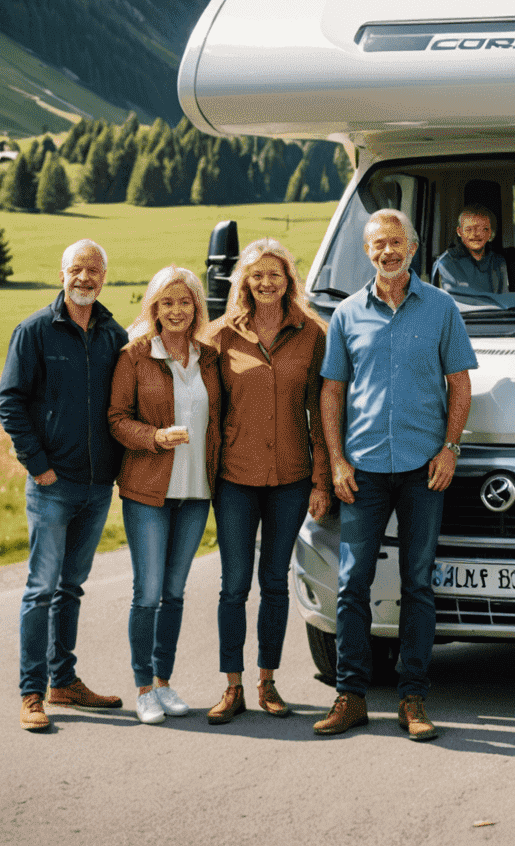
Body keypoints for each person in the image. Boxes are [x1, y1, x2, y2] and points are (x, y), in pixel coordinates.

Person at [314, 208, 476, 743]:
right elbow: (331, 391)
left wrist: (450, 448)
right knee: (351, 583)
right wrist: (336, 459)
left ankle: (413, 697)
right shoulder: (346, 316)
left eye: (397, 241)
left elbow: (460, 385)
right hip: (362, 468)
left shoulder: (441, 308)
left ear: (412, 247)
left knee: (418, 583)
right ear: (367, 252)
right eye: (378, 243)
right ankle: (351, 696)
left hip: (422, 467)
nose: (389, 250)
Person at [0, 239, 127, 732]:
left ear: (104, 277)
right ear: (62, 274)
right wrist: (38, 465)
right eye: (77, 269)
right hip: (52, 485)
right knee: (41, 589)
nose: (85, 277)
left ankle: (63, 680)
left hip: (97, 488)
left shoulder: (114, 336)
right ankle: (32, 694)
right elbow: (9, 402)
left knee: (71, 588)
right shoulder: (33, 332)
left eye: (94, 270)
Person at [200, 238, 331, 725]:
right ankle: (231, 685)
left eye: (274, 274)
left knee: (275, 582)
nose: (266, 282)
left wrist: (322, 480)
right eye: (256, 275)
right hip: (235, 476)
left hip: (292, 478)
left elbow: (321, 412)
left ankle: (267, 681)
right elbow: (207, 405)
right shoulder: (221, 336)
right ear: (244, 282)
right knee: (234, 584)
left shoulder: (312, 334)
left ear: (288, 279)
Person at [108, 265, 221, 726]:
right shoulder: (135, 355)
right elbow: (116, 419)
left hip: (196, 491)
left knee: (174, 592)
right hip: (147, 491)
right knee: (148, 592)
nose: (176, 310)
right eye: (167, 302)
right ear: (154, 307)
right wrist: (154, 436)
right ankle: (142, 687)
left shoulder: (209, 356)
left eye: (185, 302)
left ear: (197, 307)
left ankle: (164, 681)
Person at [432, 206, 510, 296]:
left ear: (490, 233)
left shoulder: (498, 262)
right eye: (469, 229)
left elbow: (504, 298)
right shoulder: (445, 263)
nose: (475, 234)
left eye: (483, 229)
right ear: (459, 231)